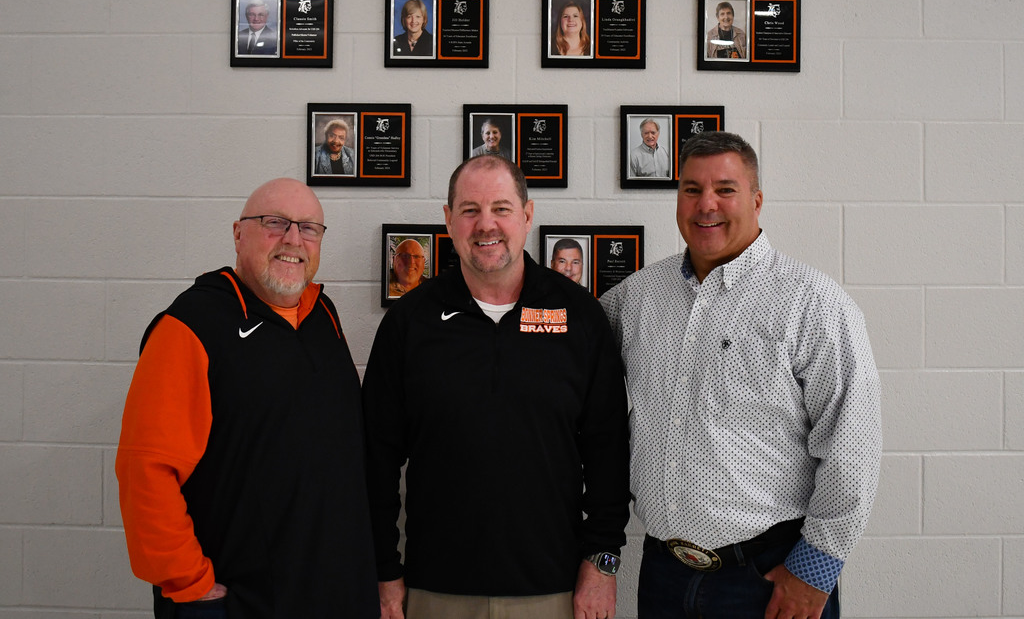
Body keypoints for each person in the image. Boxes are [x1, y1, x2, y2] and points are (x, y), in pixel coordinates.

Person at [600, 132, 882, 619]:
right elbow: (570, 373)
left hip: (768, 578)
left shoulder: (812, 304)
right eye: (691, 189)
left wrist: (814, 573)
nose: (706, 204)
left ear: (756, 199)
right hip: (663, 573)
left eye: (725, 189)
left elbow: (851, 445)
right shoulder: (638, 298)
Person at [363, 155, 630, 619]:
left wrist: (602, 562)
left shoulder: (580, 316)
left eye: (501, 208)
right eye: (469, 210)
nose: (486, 225)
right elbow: (375, 459)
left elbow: (609, 450)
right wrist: (384, 571)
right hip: (433, 592)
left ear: (527, 216)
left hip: (555, 590)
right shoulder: (409, 323)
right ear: (448, 221)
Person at [115, 178, 378, 619]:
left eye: (309, 228)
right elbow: (145, 470)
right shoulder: (190, 326)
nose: (293, 239)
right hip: (241, 600)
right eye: (275, 223)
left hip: (335, 593)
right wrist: (190, 585)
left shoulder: (322, 316)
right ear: (238, 233)